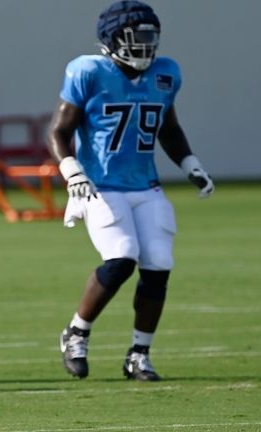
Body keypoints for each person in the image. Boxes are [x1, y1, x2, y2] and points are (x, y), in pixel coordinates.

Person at [47, 0, 214, 382]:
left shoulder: (165, 73)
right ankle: (77, 332)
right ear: (112, 39)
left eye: (149, 37)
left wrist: (190, 164)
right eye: (136, 37)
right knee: (122, 258)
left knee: (158, 266)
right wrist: (72, 171)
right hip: (101, 186)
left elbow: (167, 128)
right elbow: (58, 130)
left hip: (146, 185)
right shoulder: (88, 70)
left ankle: (139, 354)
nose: (145, 45)